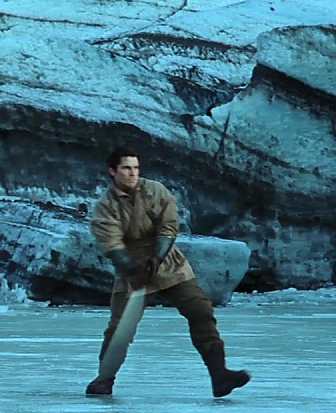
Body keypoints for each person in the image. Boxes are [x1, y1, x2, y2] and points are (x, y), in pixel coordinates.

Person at [84, 146, 250, 399]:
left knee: (201, 310)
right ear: (112, 171)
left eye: (136, 168)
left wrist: (158, 256)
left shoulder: (155, 190)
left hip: (169, 263)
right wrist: (132, 268)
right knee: (120, 329)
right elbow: (111, 243)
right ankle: (104, 379)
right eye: (126, 168)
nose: (132, 173)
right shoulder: (105, 206)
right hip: (132, 270)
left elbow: (169, 225)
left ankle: (219, 375)